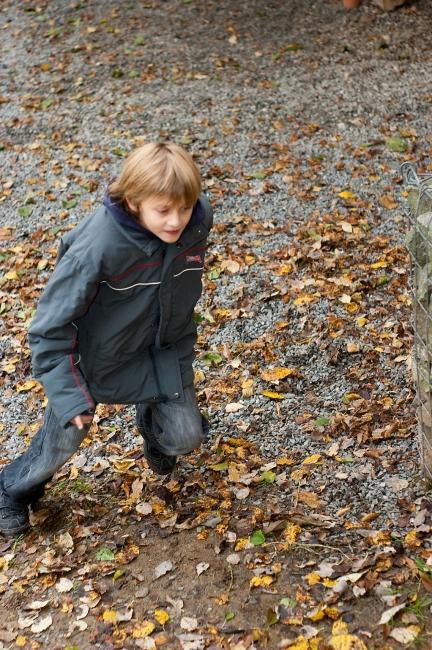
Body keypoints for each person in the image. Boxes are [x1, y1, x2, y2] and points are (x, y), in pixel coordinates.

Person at [0, 142, 213, 537]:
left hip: (158, 355)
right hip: (95, 360)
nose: (176, 221)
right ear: (133, 201)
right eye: (163, 211)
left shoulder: (196, 224)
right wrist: (67, 393)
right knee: (62, 442)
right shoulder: (98, 246)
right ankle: (12, 489)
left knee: (186, 437)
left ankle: (152, 424)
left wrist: (180, 356)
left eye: (184, 208)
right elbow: (48, 329)